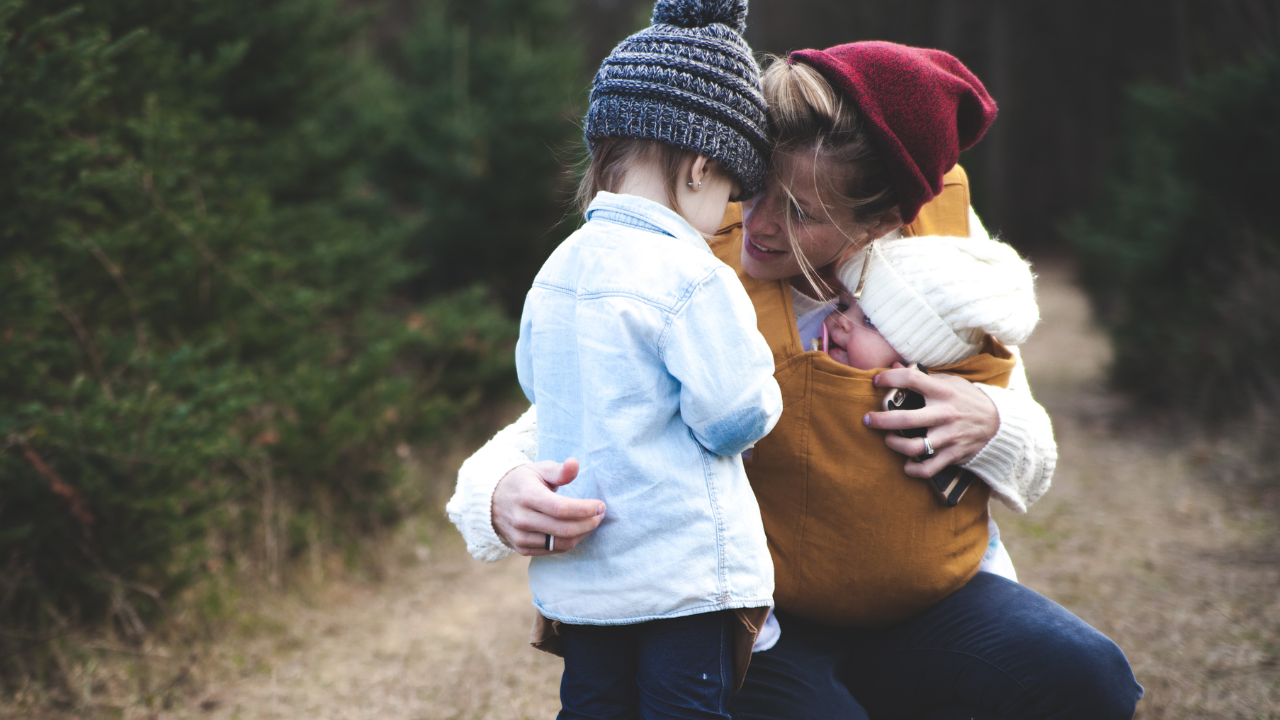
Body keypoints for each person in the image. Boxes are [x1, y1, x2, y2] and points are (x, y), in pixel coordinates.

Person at [449, 40, 1143, 719]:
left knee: (1090, 679)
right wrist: (496, 492)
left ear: (881, 221)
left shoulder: (944, 271)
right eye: (755, 188)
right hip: (764, 619)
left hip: (929, 605)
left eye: (803, 213)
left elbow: (1035, 457)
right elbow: (578, 401)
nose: (758, 223)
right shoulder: (690, 259)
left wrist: (993, 423)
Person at [513, 0, 783, 717]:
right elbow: (733, 416)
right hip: (680, 578)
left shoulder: (556, 269)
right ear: (700, 168)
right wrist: (765, 393)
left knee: (593, 706)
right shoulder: (690, 274)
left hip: (584, 580)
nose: (727, 215)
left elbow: (536, 383)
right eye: (730, 192)